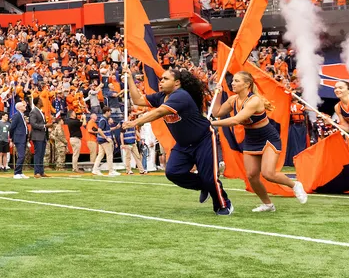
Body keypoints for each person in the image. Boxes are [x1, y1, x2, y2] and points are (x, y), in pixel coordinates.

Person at [125, 68, 233, 215]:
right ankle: (205, 185)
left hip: (203, 139)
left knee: (210, 178)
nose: (161, 81)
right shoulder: (162, 97)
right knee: (173, 172)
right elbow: (137, 100)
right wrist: (130, 78)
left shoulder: (181, 96)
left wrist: (135, 122)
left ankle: (223, 204)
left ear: (177, 83)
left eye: (165, 79)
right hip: (183, 144)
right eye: (161, 79)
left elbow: (158, 112)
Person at [210, 71, 307, 212]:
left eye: (237, 81)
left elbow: (236, 120)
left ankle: (295, 185)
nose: (232, 83)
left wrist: (212, 123)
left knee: (268, 173)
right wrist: (217, 93)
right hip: (251, 138)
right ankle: (268, 204)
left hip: (267, 137)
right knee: (251, 176)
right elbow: (217, 112)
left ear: (247, 84)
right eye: (233, 81)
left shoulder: (254, 100)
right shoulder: (233, 100)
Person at [28, 101, 48, 178]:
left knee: (41, 155)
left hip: (42, 136)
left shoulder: (40, 111)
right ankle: (37, 172)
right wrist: (44, 126)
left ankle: (41, 171)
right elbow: (33, 124)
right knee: (38, 154)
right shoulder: (33, 112)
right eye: (40, 101)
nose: (42, 102)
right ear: (37, 103)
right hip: (37, 136)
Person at [10, 101, 29, 179]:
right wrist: (11, 138)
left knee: (22, 156)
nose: (25, 106)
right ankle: (16, 173)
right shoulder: (16, 115)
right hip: (19, 138)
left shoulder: (22, 115)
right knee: (21, 156)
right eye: (23, 105)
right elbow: (12, 127)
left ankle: (20, 172)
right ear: (19, 107)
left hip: (23, 138)